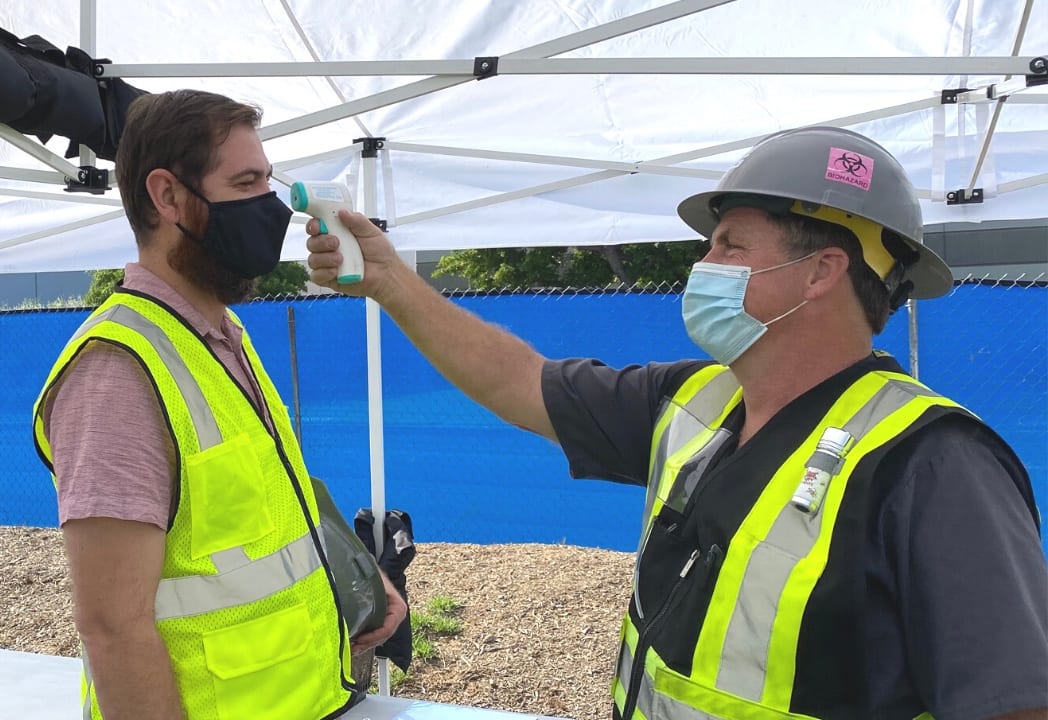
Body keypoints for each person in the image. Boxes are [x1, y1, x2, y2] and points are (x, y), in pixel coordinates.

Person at [305, 126, 1048, 719]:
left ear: (821, 272)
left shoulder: (934, 465)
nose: (706, 263)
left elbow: (1013, 703)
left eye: (730, 244)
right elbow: (520, 381)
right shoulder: (697, 401)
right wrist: (392, 281)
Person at [32, 89, 406, 720]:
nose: (272, 206)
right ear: (168, 196)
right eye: (247, 182)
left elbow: (261, 510)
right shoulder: (118, 371)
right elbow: (112, 629)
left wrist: (362, 580)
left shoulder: (222, 334)